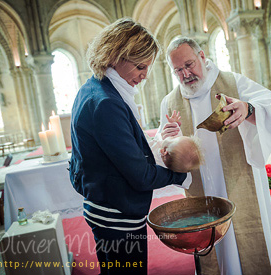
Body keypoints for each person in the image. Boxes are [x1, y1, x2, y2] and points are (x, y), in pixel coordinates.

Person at [153, 36, 271, 274]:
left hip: (239, 178)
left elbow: (267, 101)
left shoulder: (232, 81)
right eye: (178, 70)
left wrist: (247, 108)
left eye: (189, 64)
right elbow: (162, 147)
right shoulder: (169, 102)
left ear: (202, 56)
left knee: (248, 237)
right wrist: (167, 139)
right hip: (201, 188)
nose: (185, 74)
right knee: (215, 253)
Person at [69, 18, 187, 275]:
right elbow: (140, 175)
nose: (144, 75)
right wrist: (182, 174)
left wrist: (154, 142)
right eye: (139, 66)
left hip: (104, 206)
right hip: (117, 214)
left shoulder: (92, 88)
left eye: (148, 68)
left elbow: (116, 151)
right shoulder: (107, 103)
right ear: (115, 56)